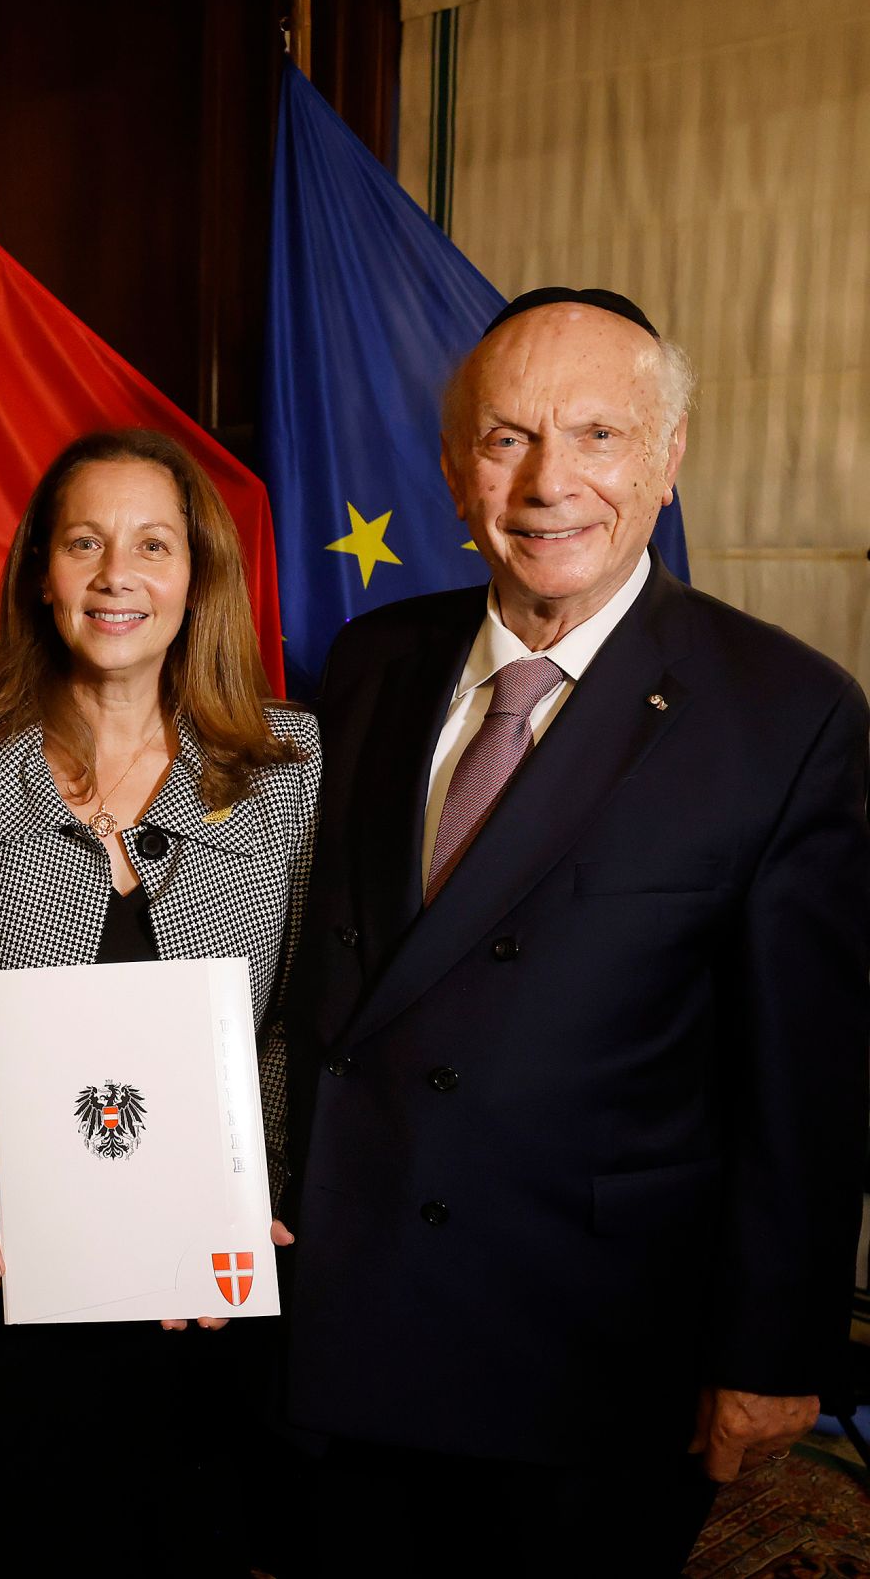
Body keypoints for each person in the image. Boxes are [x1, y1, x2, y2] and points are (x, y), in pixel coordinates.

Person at [277, 288, 870, 1576]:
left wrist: (771, 1357)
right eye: (506, 439)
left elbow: (804, 1081)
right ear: (449, 474)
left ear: (665, 465)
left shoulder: (785, 712)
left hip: (589, 1351)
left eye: (598, 436)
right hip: (344, 1316)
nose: (549, 482)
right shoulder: (370, 658)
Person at [0, 427, 319, 1575]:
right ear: (38, 572)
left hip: (206, 1274)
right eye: (84, 543)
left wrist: (241, 1196)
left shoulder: (288, 765)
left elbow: (303, 1018)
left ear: (197, 576)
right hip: (5, 1264)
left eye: (152, 545)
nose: (118, 575)